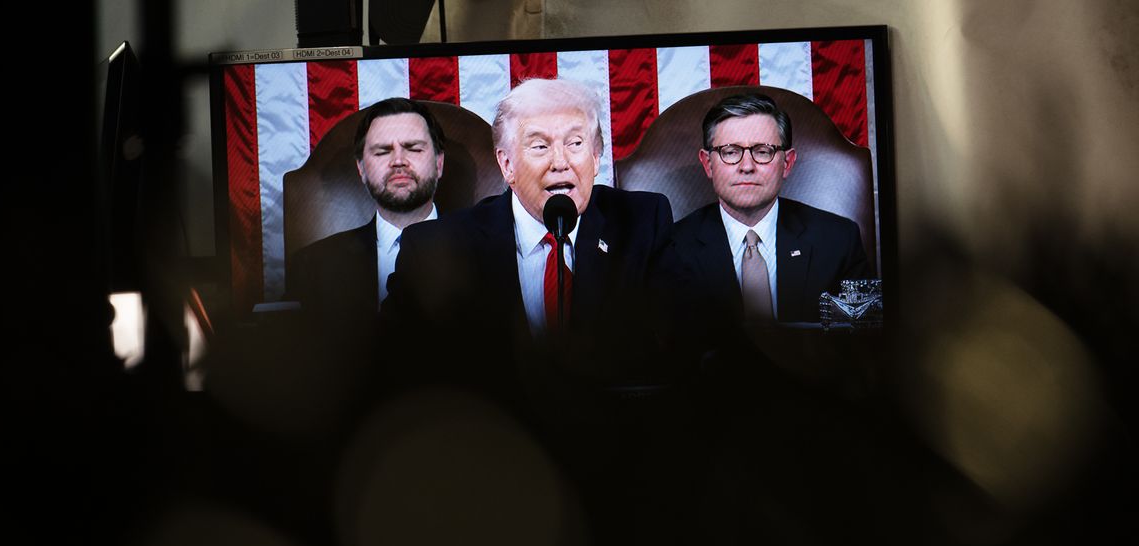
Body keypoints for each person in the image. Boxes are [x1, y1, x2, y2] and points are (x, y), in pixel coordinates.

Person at [381, 77, 675, 408]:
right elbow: (397, 367)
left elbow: (673, 349)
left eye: (575, 143)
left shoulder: (642, 222)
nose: (560, 162)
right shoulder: (437, 247)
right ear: (507, 165)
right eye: (540, 146)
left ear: (595, 157)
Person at [667, 93, 871, 334]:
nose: (746, 166)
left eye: (763, 151)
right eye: (730, 151)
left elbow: (862, 345)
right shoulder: (672, 248)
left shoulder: (838, 240)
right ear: (708, 164)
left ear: (787, 163)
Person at [284, 97, 446, 325]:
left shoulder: (484, 252)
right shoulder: (312, 266)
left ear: (439, 163)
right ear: (361, 169)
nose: (398, 161)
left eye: (413, 148)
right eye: (382, 151)